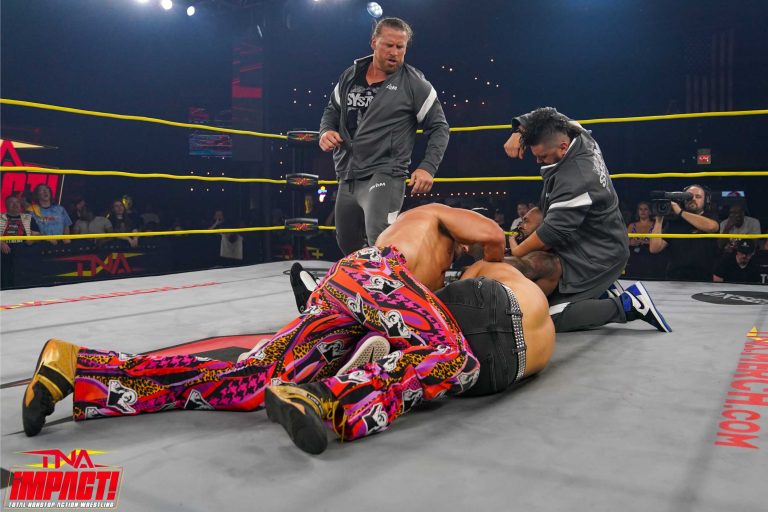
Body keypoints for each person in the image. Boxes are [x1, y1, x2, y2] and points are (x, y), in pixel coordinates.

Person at [24, 204, 542, 457]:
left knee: (248, 379)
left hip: (344, 290)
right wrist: (502, 258)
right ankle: (327, 397)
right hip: (374, 276)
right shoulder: (435, 217)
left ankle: (81, 368)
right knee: (454, 355)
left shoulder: (420, 254)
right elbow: (493, 238)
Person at [502, 107, 666, 333]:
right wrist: (519, 131)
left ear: (563, 147)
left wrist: (516, 251)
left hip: (599, 255)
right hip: (592, 239)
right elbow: (549, 114)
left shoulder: (577, 178)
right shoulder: (576, 133)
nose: (538, 160)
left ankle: (629, 306)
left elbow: (551, 233)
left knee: (547, 316)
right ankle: (598, 292)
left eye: (543, 156)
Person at [319, 17, 449, 254]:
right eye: (389, 45)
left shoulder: (414, 83)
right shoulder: (351, 75)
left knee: (380, 240)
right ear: (374, 43)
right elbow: (332, 110)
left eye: (400, 47)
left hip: (385, 172)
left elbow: (439, 127)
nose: (394, 52)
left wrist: (428, 167)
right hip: (348, 174)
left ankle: (394, 278)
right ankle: (371, 279)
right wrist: (326, 131)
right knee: (347, 244)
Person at [649, 184, 720, 281]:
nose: (693, 199)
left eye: (698, 196)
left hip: (702, 278)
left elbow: (711, 227)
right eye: (689, 196)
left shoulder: (711, 217)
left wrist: (680, 212)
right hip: (675, 278)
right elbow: (654, 248)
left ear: (705, 201)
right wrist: (659, 220)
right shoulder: (675, 222)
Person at [1, 195, 39, 288]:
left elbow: (37, 234)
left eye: (17, 202)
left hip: (23, 249)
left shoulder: (28, 217)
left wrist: (32, 239)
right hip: (5, 250)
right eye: (11, 202)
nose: (15, 205)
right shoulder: (0, 217)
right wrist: (1, 243)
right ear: (6, 205)